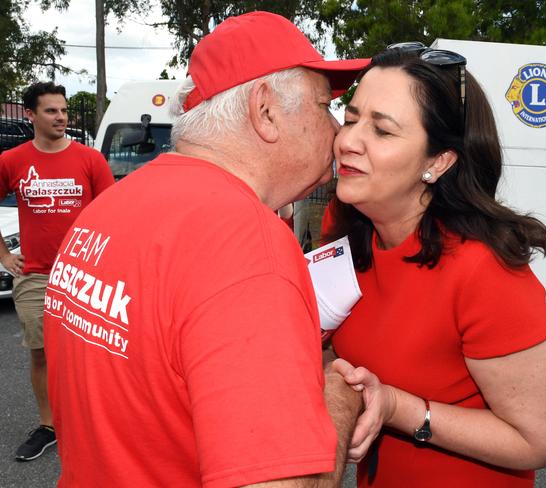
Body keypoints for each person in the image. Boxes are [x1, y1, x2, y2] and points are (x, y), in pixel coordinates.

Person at [43, 11, 369, 488]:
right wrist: (340, 399)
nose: (338, 128)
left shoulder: (110, 206)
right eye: (325, 107)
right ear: (266, 111)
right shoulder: (247, 243)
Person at [322, 43, 546, 487]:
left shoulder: (484, 270)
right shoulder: (345, 232)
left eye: (382, 130)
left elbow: (542, 440)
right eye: (352, 118)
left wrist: (398, 408)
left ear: (438, 162)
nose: (348, 141)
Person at [0, 81, 114, 462]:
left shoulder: (90, 159)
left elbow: (113, 215)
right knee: (41, 353)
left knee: (92, 351)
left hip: (84, 273)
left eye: (64, 110)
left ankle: (94, 421)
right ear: (30, 115)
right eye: (51, 111)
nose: (61, 117)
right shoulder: (12, 161)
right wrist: (3, 255)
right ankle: (49, 425)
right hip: (34, 274)